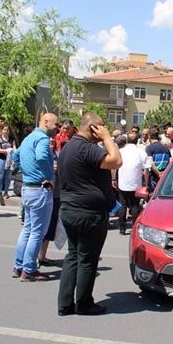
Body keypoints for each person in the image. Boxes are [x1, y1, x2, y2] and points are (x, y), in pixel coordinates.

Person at [57, 112, 122, 316]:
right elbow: (116, 161)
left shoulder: (68, 147)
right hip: (87, 213)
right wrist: (107, 138)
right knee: (87, 259)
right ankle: (84, 304)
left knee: (73, 256)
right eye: (101, 126)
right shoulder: (87, 148)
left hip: (69, 210)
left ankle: (65, 304)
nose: (104, 129)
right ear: (92, 127)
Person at [12, 113, 58, 282]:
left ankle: (18, 266)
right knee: (37, 232)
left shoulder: (28, 138)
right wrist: (50, 176)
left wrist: (27, 170)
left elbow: (15, 156)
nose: (57, 128)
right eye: (55, 124)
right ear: (46, 122)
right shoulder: (42, 139)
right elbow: (41, 156)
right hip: (39, 189)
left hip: (27, 188)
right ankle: (29, 269)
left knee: (27, 230)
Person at [115, 131, 150, 235]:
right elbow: (147, 169)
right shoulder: (141, 153)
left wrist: (113, 179)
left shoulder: (120, 151)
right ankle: (134, 227)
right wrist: (146, 182)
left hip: (123, 182)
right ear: (137, 140)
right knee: (134, 205)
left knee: (123, 205)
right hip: (136, 184)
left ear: (127, 140)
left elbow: (114, 166)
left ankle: (122, 228)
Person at [38, 137, 60, 267]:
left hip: (56, 195)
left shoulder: (57, 156)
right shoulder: (41, 156)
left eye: (53, 141)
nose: (51, 142)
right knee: (39, 227)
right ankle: (34, 257)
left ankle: (43, 256)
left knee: (50, 228)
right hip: (44, 193)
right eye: (49, 141)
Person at [0, 125, 17, 205]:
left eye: (7, 130)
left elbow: (14, 148)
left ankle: (6, 191)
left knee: (8, 176)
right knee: (0, 176)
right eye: (4, 130)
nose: (6, 131)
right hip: (1, 159)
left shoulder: (12, 140)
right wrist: (8, 150)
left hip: (10, 160)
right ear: (2, 131)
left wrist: (12, 151)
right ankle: (0, 192)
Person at [144, 127, 171, 192]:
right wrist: (163, 173)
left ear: (149, 136)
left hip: (153, 177)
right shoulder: (166, 148)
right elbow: (169, 162)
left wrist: (158, 173)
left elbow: (151, 163)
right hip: (164, 176)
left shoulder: (149, 148)